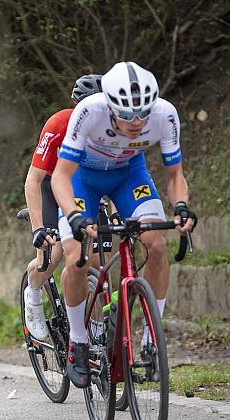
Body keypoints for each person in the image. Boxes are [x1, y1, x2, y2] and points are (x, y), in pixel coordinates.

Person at [51, 62, 197, 388]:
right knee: (78, 255)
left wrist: (182, 206)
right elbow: (60, 175)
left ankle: (149, 339)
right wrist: (74, 215)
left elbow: (174, 176)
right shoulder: (89, 111)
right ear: (109, 105)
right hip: (82, 180)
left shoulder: (165, 115)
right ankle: (78, 341)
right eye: (127, 115)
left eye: (143, 114)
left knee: (156, 244)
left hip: (129, 177)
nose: (136, 122)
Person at [22, 74, 103, 341]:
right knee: (54, 255)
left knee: (98, 264)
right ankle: (32, 291)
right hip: (51, 187)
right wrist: (38, 228)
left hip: (86, 189)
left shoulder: (111, 128)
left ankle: (98, 332)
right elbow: (33, 180)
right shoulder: (58, 124)